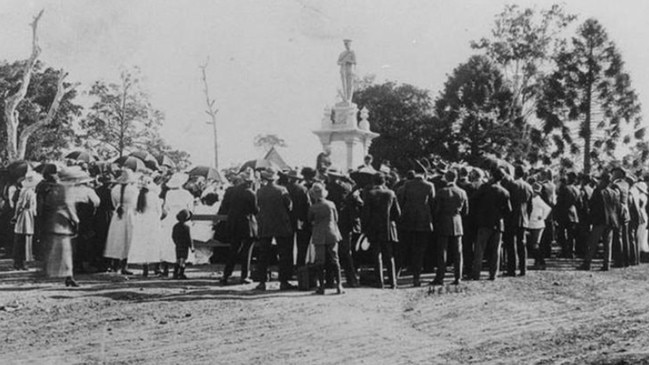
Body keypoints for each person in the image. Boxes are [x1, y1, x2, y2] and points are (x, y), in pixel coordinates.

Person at [41, 166, 98, 287]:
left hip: (54, 220)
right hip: (64, 221)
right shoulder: (66, 188)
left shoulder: (54, 188)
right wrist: (75, 219)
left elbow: (48, 202)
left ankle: (65, 274)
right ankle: (68, 276)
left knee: (60, 250)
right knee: (66, 250)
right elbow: (69, 205)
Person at [255, 167, 294, 291]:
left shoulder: (260, 191)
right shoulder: (282, 190)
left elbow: (258, 206)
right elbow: (290, 206)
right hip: (281, 224)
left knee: (263, 254)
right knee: (284, 253)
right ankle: (283, 281)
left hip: (265, 224)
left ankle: (262, 281)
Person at [362, 173, 401, 289]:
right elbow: (397, 213)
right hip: (388, 227)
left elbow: (365, 214)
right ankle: (393, 282)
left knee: (377, 255)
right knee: (389, 255)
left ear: (373, 182)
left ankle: (380, 282)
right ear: (384, 182)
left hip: (374, 227)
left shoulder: (370, 194)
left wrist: (365, 228)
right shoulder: (391, 193)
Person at [471, 169, 511, 280]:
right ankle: (493, 274)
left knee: (480, 249)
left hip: (484, 222)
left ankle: (476, 273)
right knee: (496, 250)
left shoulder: (484, 188)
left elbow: (473, 199)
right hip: (498, 223)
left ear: (492, 176)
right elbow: (508, 210)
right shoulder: (505, 192)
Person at [398, 167, 435, 287]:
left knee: (403, 249)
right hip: (423, 222)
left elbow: (401, 201)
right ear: (424, 174)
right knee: (419, 251)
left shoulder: (406, 185)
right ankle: (416, 278)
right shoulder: (429, 186)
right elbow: (432, 203)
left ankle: (395, 276)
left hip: (407, 220)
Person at [221, 170, 258, 285]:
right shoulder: (251, 193)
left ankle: (226, 275)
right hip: (247, 224)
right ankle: (244, 276)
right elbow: (255, 210)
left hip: (233, 224)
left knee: (233, 250)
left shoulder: (230, 191)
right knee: (247, 251)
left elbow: (224, 206)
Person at [308, 183, 344, 295]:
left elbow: (310, 220)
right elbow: (336, 219)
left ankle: (321, 287)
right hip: (332, 232)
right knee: (335, 259)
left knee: (320, 261)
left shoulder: (313, 208)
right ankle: (339, 285)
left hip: (319, 234)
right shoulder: (331, 204)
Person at [433, 170, 468, 285]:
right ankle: (458, 277)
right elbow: (466, 211)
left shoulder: (441, 192)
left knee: (442, 251)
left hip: (443, 222)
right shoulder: (462, 192)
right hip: (457, 222)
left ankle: (440, 277)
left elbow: (436, 209)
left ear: (446, 178)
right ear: (456, 178)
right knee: (458, 252)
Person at [579, 173, 620, 271]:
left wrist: (590, 220)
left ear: (603, 180)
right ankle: (607, 264)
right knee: (608, 244)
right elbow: (616, 207)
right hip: (610, 221)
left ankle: (587, 263)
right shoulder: (614, 193)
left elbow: (593, 206)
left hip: (600, 220)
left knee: (593, 243)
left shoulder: (598, 191)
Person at [104, 169, 140, 274]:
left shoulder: (115, 189)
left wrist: (119, 207)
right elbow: (135, 204)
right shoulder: (134, 190)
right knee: (128, 238)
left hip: (118, 213)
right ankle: (124, 265)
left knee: (116, 238)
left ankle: (115, 265)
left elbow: (114, 203)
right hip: (129, 213)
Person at [501, 165, 533, 276]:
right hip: (523, 218)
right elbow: (530, 206)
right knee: (522, 243)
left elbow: (506, 202)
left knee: (511, 244)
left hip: (511, 217)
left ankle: (512, 269)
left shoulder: (511, 185)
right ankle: (523, 268)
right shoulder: (529, 187)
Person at [129, 174, 164, 277]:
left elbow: (135, 209)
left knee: (143, 243)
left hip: (142, 219)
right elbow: (159, 211)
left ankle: (145, 268)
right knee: (154, 242)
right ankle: (156, 267)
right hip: (152, 219)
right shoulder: (154, 196)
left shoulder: (138, 196)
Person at [160, 173, 194, 276]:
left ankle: (166, 268)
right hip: (183, 216)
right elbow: (190, 208)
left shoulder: (169, 193)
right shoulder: (187, 194)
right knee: (183, 242)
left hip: (170, 218)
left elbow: (166, 208)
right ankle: (180, 267)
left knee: (169, 243)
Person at [12, 172, 40, 270]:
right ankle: (20, 262)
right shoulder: (27, 192)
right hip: (25, 215)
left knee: (22, 238)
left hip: (26, 215)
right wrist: (16, 215)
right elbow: (20, 205)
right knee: (23, 238)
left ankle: (19, 262)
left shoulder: (27, 191)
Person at [525, 183, 552, 269]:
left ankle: (540, 262)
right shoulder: (532, 199)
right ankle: (538, 262)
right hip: (532, 224)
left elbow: (548, 208)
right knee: (533, 244)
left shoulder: (538, 199)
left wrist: (543, 217)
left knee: (535, 245)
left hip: (538, 224)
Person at [556, 172, 581, 259]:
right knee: (571, 234)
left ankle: (564, 251)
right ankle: (571, 251)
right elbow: (580, 203)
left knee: (562, 233)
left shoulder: (564, 188)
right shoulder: (577, 189)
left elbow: (559, 201)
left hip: (564, 213)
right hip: (574, 213)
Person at [172, 209, 194, 279]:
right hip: (185, 246)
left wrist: (176, 242)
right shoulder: (187, 227)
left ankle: (175, 273)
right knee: (183, 260)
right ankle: (181, 273)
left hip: (178, 245)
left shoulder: (175, 226)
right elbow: (189, 238)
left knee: (178, 259)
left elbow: (173, 236)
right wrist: (191, 247)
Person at [337, 39, 356, 103]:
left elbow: (354, 62)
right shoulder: (342, 53)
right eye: (345, 44)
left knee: (350, 85)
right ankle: (345, 98)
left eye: (347, 44)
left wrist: (348, 61)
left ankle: (349, 98)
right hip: (343, 70)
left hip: (350, 70)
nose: (346, 45)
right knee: (344, 85)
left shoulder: (352, 52)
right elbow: (338, 62)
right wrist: (342, 62)